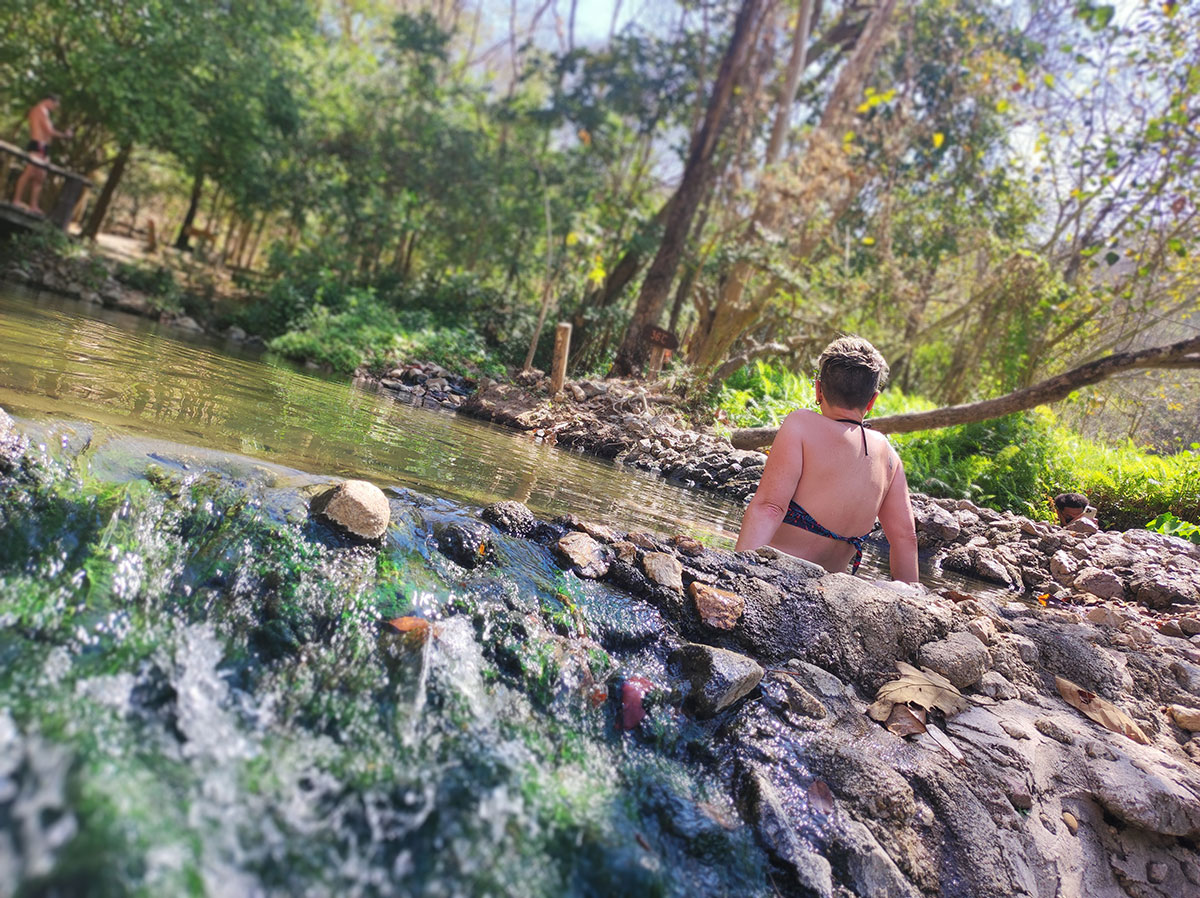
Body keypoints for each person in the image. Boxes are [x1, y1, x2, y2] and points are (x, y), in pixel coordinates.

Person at [736, 336, 919, 582]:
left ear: (818, 389)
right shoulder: (889, 456)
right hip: (829, 589)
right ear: (872, 400)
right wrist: (910, 598)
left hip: (778, 578)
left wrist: (737, 572)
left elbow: (770, 507)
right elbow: (905, 539)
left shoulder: (801, 425)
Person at [11, 94, 72, 214]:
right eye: (55, 105)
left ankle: (33, 205)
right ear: (49, 101)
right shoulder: (40, 110)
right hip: (38, 145)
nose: (55, 108)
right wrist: (66, 135)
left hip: (44, 147)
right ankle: (16, 200)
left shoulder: (44, 112)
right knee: (29, 172)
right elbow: (49, 131)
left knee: (40, 176)